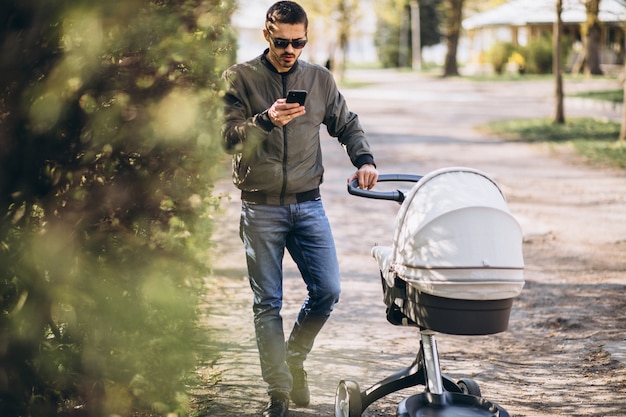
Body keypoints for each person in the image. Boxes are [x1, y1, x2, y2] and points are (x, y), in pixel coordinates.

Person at [221, 2, 378, 416]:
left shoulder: (319, 79)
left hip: (309, 205)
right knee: (267, 304)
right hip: (260, 208)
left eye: (299, 42)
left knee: (328, 291)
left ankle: (293, 359)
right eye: (281, 41)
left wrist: (364, 160)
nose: (290, 49)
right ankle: (278, 391)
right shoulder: (239, 78)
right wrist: (266, 120)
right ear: (266, 35)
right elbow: (226, 138)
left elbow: (346, 123)